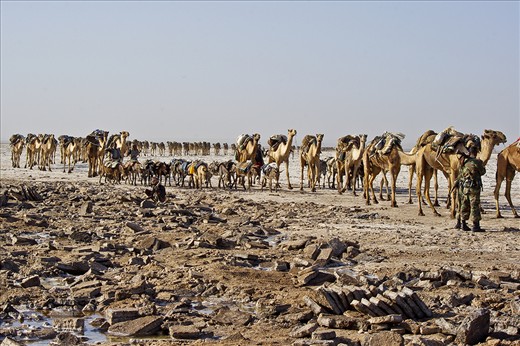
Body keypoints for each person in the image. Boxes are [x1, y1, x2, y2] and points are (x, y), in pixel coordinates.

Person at [454, 146, 486, 232]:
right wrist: (480, 163)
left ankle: (463, 224)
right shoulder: (476, 162)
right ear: (475, 153)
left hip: (465, 188)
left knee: (464, 205)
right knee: (474, 206)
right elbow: (482, 172)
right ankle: (476, 226)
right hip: (474, 188)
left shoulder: (463, 161)